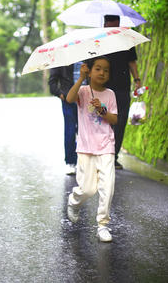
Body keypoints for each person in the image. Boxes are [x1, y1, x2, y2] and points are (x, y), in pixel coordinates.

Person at [65, 57, 118, 243]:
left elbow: (114, 120)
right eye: (98, 68)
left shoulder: (110, 94)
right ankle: (74, 201)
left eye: (106, 70)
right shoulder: (84, 91)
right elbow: (70, 99)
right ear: (90, 71)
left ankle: (103, 225)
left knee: (107, 188)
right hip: (86, 147)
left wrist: (102, 110)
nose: (102, 73)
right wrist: (80, 79)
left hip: (106, 147)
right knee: (87, 189)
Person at [103, 14, 143, 169]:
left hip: (122, 88)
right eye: (111, 25)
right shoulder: (98, 40)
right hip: (103, 88)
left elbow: (131, 62)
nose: (114, 28)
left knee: (119, 124)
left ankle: (113, 157)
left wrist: (137, 80)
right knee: (104, 122)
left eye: (116, 25)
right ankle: (102, 155)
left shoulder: (127, 39)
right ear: (105, 24)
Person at [48, 63, 81, 175]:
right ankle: (71, 162)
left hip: (86, 99)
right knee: (70, 130)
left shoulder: (88, 54)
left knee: (86, 131)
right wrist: (60, 94)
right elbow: (52, 81)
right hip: (69, 100)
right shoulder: (62, 57)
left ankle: (85, 162)